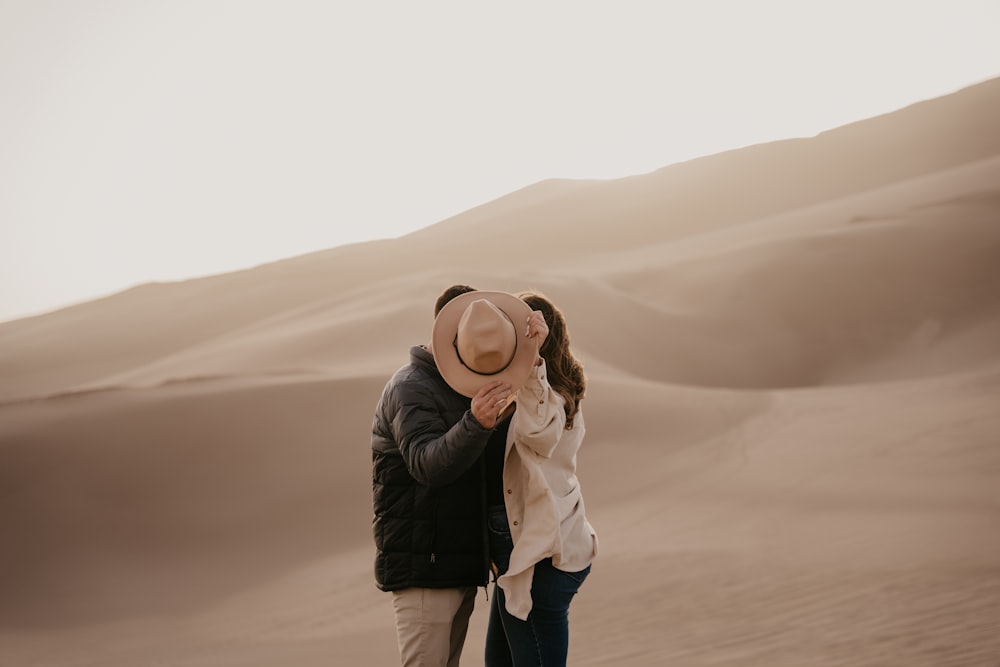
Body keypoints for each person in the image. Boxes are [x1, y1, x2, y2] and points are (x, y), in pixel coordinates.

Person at [372, 285, 539, 667]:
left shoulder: (467, 385)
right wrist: (476, 423)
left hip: (459, 567)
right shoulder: (410, 388)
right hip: (423, 573)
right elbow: (426, 465)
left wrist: (535, 349)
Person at [482, 291, 599, 667]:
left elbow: (538, 435)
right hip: (525, 554)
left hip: (540, 557)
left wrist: (532, 361)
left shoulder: (550, 398)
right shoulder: (539, 392)